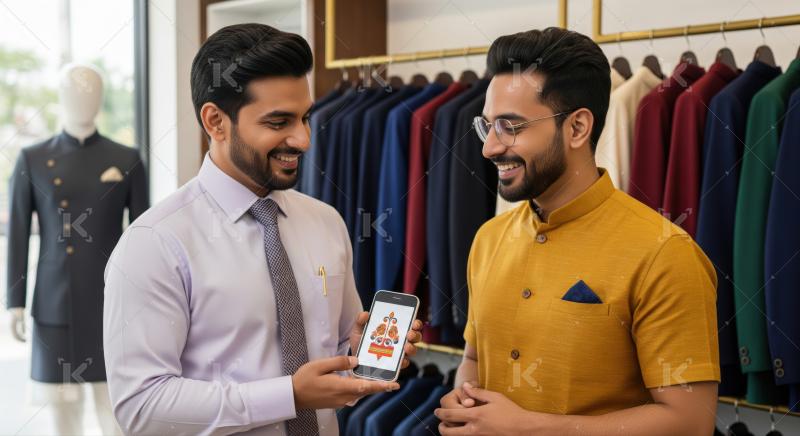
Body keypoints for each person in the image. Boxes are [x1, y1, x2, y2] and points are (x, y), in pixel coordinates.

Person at [103, 23, 421, 435]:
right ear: (216, 121)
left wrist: (357, 358)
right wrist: (289, 395)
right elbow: (142, 408)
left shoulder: (325, 222)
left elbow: (336, 371)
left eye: (305, 118)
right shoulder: (155, 244)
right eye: (278, 122)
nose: (303, 139)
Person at [435, 27, 719, 436]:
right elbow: (476, 360)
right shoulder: (489, 239)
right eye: (488, 126)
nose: (489, 148)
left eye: (510, 127)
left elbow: (688, 422)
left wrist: (526, 427)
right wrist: (464, 401)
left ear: (577, 128)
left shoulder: (665, 254)